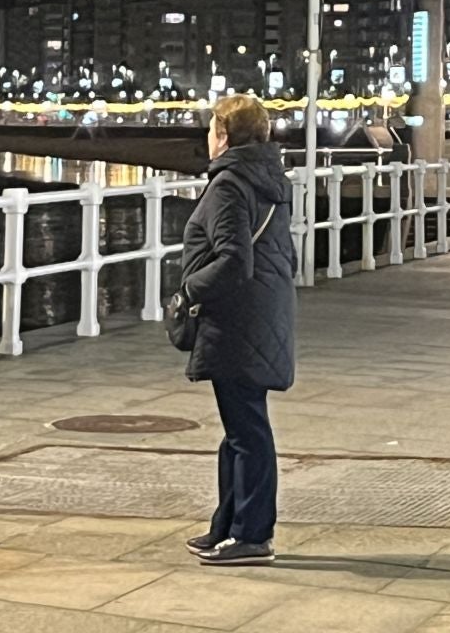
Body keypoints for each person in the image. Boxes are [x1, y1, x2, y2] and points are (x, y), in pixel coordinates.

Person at [178, 93, 297, 565]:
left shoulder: (229, 183)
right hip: (262, 314)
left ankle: (252, 535)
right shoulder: (269, 180)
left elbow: (233, 260)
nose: (208, 137)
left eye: (211, 129)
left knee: (247, 431)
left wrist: (189, 288)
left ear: (224, 136)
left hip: (237, 319)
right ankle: (227, 525)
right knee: (240, 429)